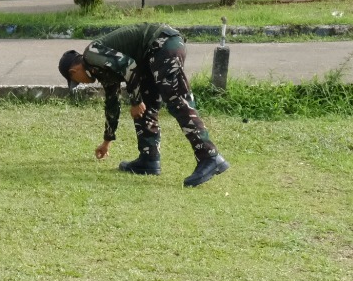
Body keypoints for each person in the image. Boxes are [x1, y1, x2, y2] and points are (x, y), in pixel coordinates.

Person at [58, 22, 229, 188]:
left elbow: (129, 66)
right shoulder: (100, 68)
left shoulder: (92, 54)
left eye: (76, 81)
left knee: (176, 101)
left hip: (163, 44)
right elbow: (112, 104)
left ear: (74, 71)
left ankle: (209, 156)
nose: (81, 83)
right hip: (151, 55)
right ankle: (149, 159)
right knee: (146, 104)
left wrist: (135, 101)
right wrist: (107, 141)